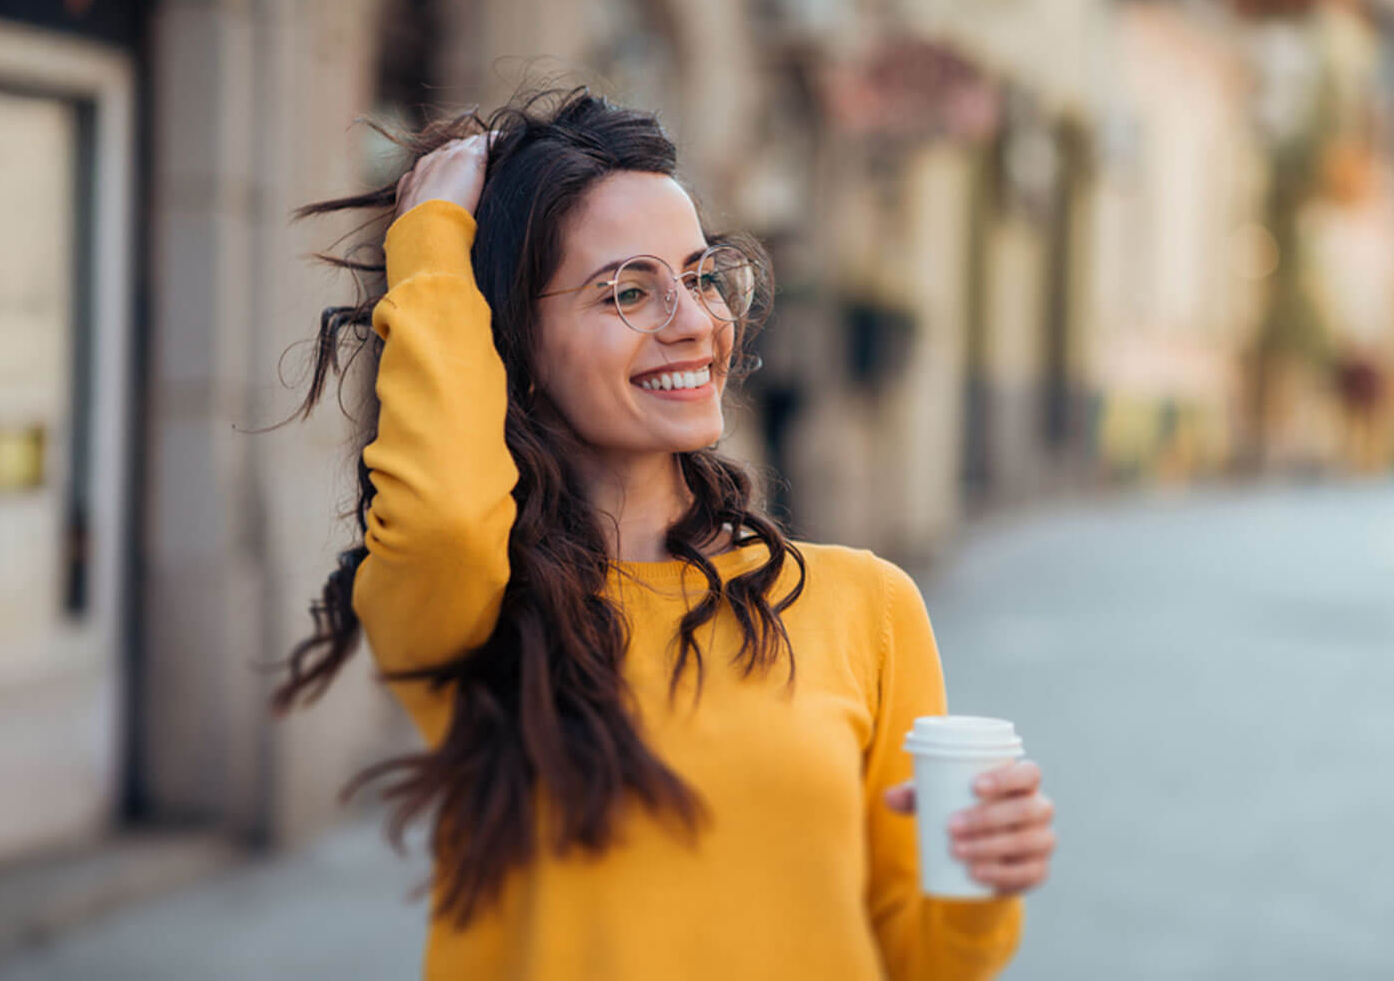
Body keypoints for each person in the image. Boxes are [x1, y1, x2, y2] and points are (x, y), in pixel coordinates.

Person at [271, 88, 1054, 979]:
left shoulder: (866, 606)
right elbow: (445, 520)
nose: (694, 323)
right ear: (514, 345)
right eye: (629, 292)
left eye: (701, 276)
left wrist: (982, 882)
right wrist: (431, 239)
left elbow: (918, 957)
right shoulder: (473, 611)